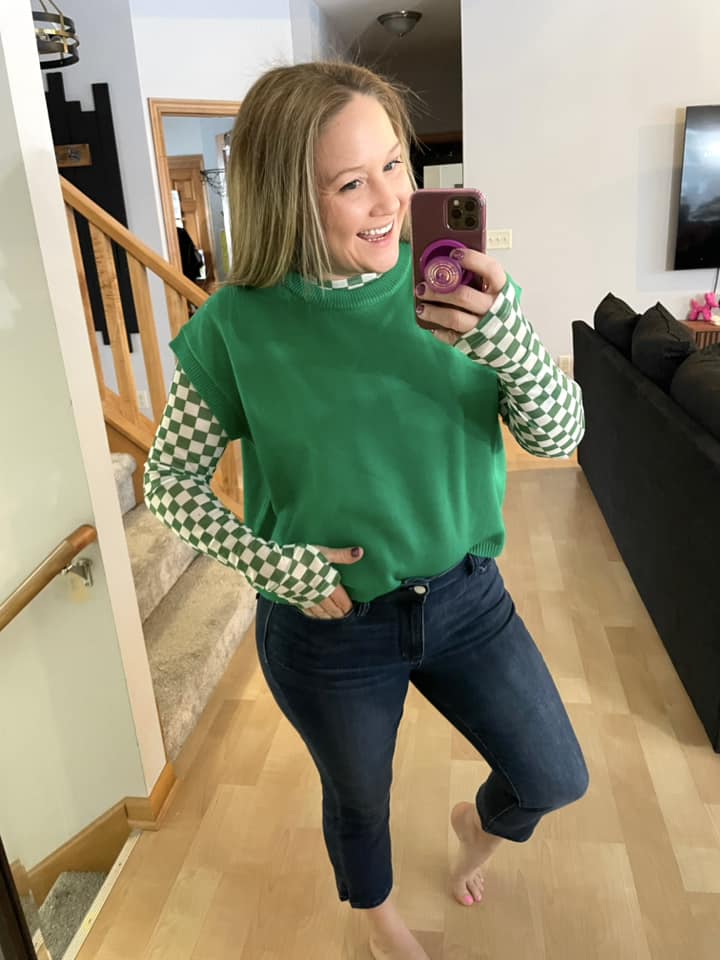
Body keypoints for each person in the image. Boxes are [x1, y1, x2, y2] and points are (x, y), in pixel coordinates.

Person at [144, 61, 589, 960]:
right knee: (358, 799)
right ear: (287, 197)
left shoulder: (463, 288)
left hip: (466, 598)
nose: (390, 200)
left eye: (394, 163)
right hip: (329, 625)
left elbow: (560, 435)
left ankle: (477, 827)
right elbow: (168, 483)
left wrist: (508, 342)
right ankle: (377, 918)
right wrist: (276, 565)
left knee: (553, 776)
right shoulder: (235, 327)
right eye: (352, 183)